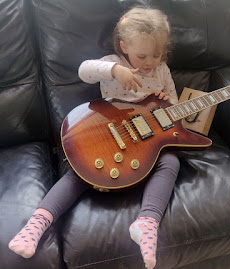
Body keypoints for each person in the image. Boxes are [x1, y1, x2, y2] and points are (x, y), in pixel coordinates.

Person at [8, 7, 180, 269]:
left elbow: (174, 101)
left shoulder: (162, 70)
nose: (149, 62)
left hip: (148, 138)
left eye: (157, 55)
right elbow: (84, 70)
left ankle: (147, 222)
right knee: (82, 171)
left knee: (171, 162)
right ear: (124, 46)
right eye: (142, 55)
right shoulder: (116, 61)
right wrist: (114, 70)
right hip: (110, 130)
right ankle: (37, 224)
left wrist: (170, 103)